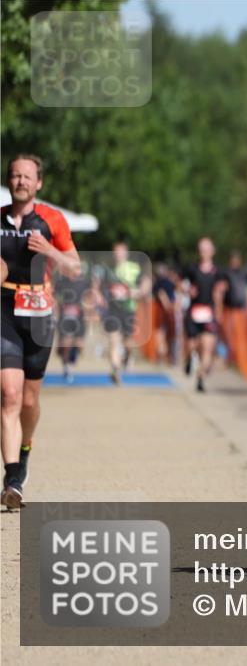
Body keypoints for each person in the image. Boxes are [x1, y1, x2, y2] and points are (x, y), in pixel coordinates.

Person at [1, 154, 81, 508]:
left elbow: (75, 268)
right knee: (9, 394)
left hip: (38, 314)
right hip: (3, 311)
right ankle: (13, 478)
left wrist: (50, 250)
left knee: (29, 400)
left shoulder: (52, 220)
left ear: (39, 183)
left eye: (27, 177)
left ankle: (25, 448)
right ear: (9, 181)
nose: (20, 181)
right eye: (15, 176)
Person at [99, 239, 147, 384]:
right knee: (114, 340)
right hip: (113, 311)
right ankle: (115, 370)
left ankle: (127, 355)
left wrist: (137, 292)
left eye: (121, 251)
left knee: (128, 342)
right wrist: (101, 298)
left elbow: (145, 283)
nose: (118, 254)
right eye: (115, 252)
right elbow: (101, 288)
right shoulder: (108, 269)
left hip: (129, 310)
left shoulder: (134, 268)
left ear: (126, 253)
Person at [182, 237, 224, 392]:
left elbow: (219, 293)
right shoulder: (191, 269)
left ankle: (200, 376)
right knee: (192, 345)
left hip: (208, 312)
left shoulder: (218, 271)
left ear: (212, 251)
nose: (203, 252)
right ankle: (188, 359)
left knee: (207, 347)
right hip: (194, 312)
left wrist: (219, 312)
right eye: (201, 249)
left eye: (206, 249)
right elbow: (180, 283)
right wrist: (187, 290)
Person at [53, 258, 92, 382]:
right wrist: (56, 312)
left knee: (79, 345)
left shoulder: (84, 282)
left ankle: (71, 360)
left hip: (80, 317)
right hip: (65, 316)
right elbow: (54, 297)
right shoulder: (61, 282)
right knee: (66, 344)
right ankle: (66, 366)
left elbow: (90, 297)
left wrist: (88, 310)